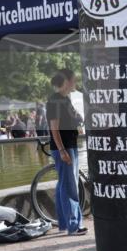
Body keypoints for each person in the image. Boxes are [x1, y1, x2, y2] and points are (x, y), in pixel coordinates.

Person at [47, 69, 86, 235]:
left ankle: (65, 223)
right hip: (64, 147)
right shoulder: (55, 101)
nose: (75, 83)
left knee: (64, 184)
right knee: (70, 186)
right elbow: (54, 128)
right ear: (66, 81)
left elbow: (75, 118)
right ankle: (74, 225)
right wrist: (62, 150)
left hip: (69, 145)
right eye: (74, 80)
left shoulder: (64, 99)